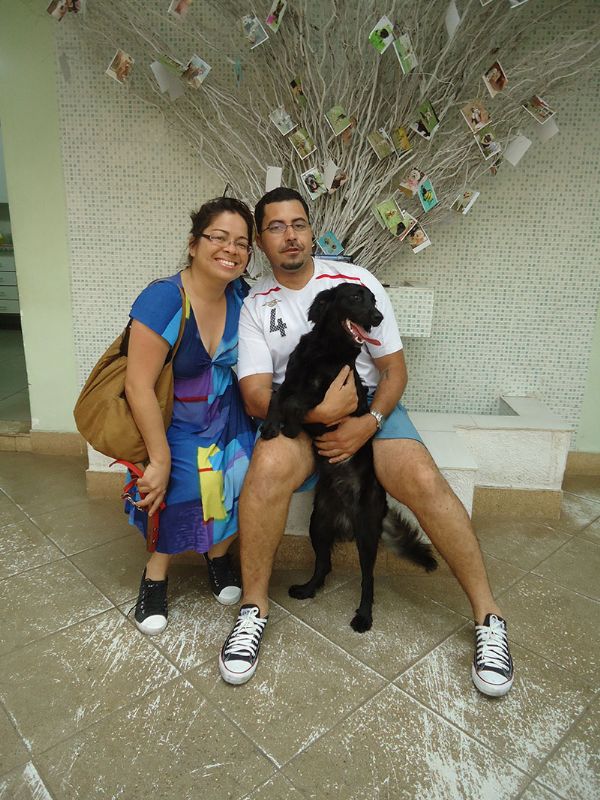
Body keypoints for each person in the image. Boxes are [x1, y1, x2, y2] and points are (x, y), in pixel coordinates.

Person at [219, 187, 515, 697]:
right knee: (264, 475)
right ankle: (252, 609)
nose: (290, 236)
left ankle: (489, 618)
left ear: (312, 231)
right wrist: (319, 413)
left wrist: (368, 421)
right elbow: (254, 394)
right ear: (261, 242)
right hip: (300, 409)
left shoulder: (355, 283)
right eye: (276, 227)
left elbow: (394, 370)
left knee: (423, 478)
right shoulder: (256, 304)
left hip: (368, 406)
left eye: (298, 224)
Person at [124, 197, 257, 635]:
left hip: (228, 412)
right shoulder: (164, 298)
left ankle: (217, 556)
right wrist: (159, 459)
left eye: (241, 242)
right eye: (219, 237)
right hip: (177, 419)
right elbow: (138, 385)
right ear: (194, 243)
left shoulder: (241, 296)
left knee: (240, 480)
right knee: (182, 488)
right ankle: (155, 575)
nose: (231, 249)